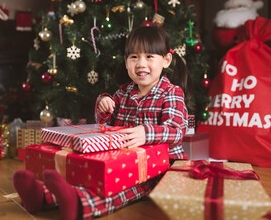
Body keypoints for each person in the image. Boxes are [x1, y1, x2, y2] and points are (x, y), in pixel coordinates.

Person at [12, 26, 193, 220]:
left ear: (166, 60)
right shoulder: (123, 93)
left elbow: (176, 130)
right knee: (96, 177)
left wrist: (146, 134)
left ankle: (79, 204)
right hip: (124, 158)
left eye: (149, 56)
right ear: (126, 62)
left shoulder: (171, 92)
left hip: (161, 166)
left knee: (125, 187)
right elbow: (105, 126)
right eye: (134, 57)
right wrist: (103, 106)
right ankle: (41, 195)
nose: (141, 63)